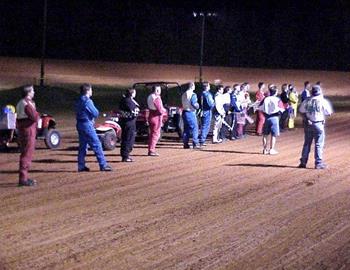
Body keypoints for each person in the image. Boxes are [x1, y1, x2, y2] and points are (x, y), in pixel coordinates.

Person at [75, 83, 112, 172]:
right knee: (96, 144)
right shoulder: (87, 101)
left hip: (79, 123)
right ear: (87, 91)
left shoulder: (78, 100)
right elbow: (95, 113)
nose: (92, 92)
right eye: (91, 90)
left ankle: (81, 165)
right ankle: (103, 165)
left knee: (83, 146)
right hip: (87, 124)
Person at [298, 85, 333, 169]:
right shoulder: (323, 101)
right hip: (318, 124)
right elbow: (329, 112)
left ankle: (303, 162)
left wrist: (306, 118)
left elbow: (301, 111)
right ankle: (318, 163)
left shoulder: (307, 101)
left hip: (308, 124)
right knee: (319, 144)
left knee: (307, 143)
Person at [16, 85, 40, 186]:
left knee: (25, 153)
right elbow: (34, 117)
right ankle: (23, 179)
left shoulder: (20, 102)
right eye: (32, 91)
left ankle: (24, 177)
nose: (34, 92)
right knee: (27, 154)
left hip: (23, 129)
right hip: (28, 130)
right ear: (28, 92)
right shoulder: (27, 103)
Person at [259, 84, 284, 155]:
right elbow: (282, 109)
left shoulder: (265, 99)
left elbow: (260, 108)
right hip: (275, 118)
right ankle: (271, 149)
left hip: (266, 117)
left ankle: (264, 149)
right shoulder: (277, 99)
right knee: (273, 135)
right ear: (275, 92)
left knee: (265, 134)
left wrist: (265, 114)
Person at [119, 88, 139, 162]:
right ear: (132, 93)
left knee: (126, 138)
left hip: (126, 122)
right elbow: (134, 111)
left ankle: (125, 154)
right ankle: (125, 155)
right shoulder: (128, 101)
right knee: (128, 138)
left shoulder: (124, 100)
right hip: (129, 122)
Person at [147, 85, 166, 156]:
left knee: (152, 134)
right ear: (157, 90)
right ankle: (152, 150)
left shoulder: (149, 96)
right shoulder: (156, 98)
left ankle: (151, 149)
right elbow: (160, 110)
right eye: (159, 90)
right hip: (156, 117)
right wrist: (164, 111)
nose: (160, 91)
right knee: (156, 134)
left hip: (151, 115)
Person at [181, 82, 200, 149]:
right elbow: (194, 103)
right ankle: (195, 143)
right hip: (190, 112)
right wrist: (198, 106)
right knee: (195, 128)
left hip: (184, 112)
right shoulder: (193, 94)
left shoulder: (183, 94)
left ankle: (185, 143)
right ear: (192, 86)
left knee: (186, 128)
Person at [198, 82, 214, 146]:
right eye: (209, 86)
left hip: (202, 111)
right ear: (206, 87)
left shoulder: (201, 94)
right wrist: (214, 105)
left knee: (203, 125)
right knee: (206, 126)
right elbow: (210, 104)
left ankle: (201, 139)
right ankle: (202, 140)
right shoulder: (207, 94)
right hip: (207, 111)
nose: (209, 87)